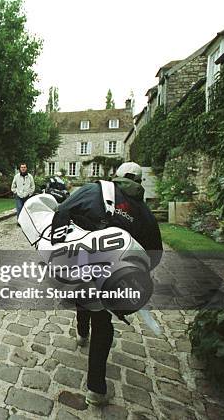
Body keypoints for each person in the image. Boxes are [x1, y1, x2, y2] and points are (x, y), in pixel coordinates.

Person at [53, 162, 162, 406]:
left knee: (85, 297)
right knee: (103, 322)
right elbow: (155, 255)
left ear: (118, 177)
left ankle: (81, 334)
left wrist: (59, 251)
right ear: (139, 181)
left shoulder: (94, 190)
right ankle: (96, 389)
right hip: (114, 276)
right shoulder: (145, 213)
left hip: (83, 262)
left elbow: (61, 211)